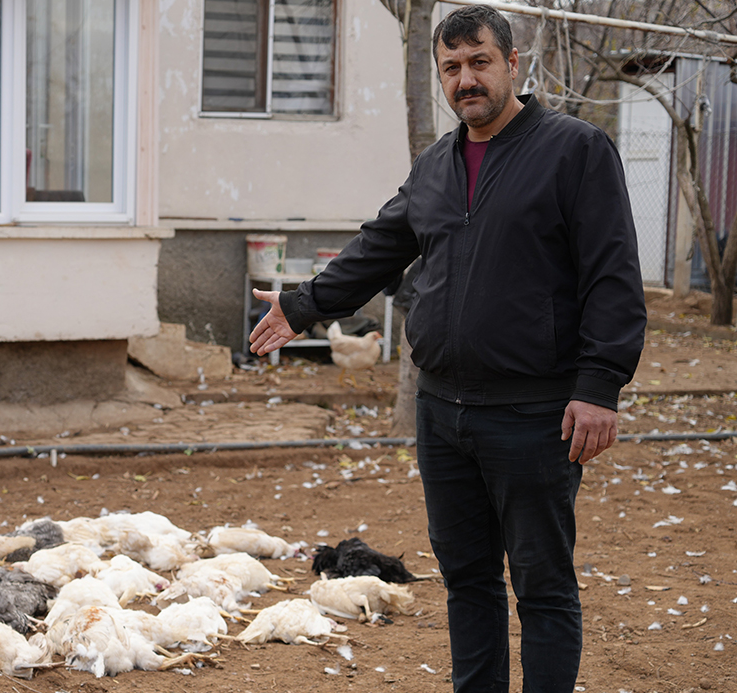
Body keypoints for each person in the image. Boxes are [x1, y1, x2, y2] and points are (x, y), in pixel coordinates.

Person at [249, 6, 645, 692]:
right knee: (467, 579)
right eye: (452, 68)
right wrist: (303, 303)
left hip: (534, 414)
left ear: (512, 63)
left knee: (542, 583)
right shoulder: (436, 164)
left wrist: (599, 384)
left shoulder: (575, 150)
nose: (466, 80)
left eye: (480, 62)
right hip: (442, 414)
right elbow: (379, 248)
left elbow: (612, 272)